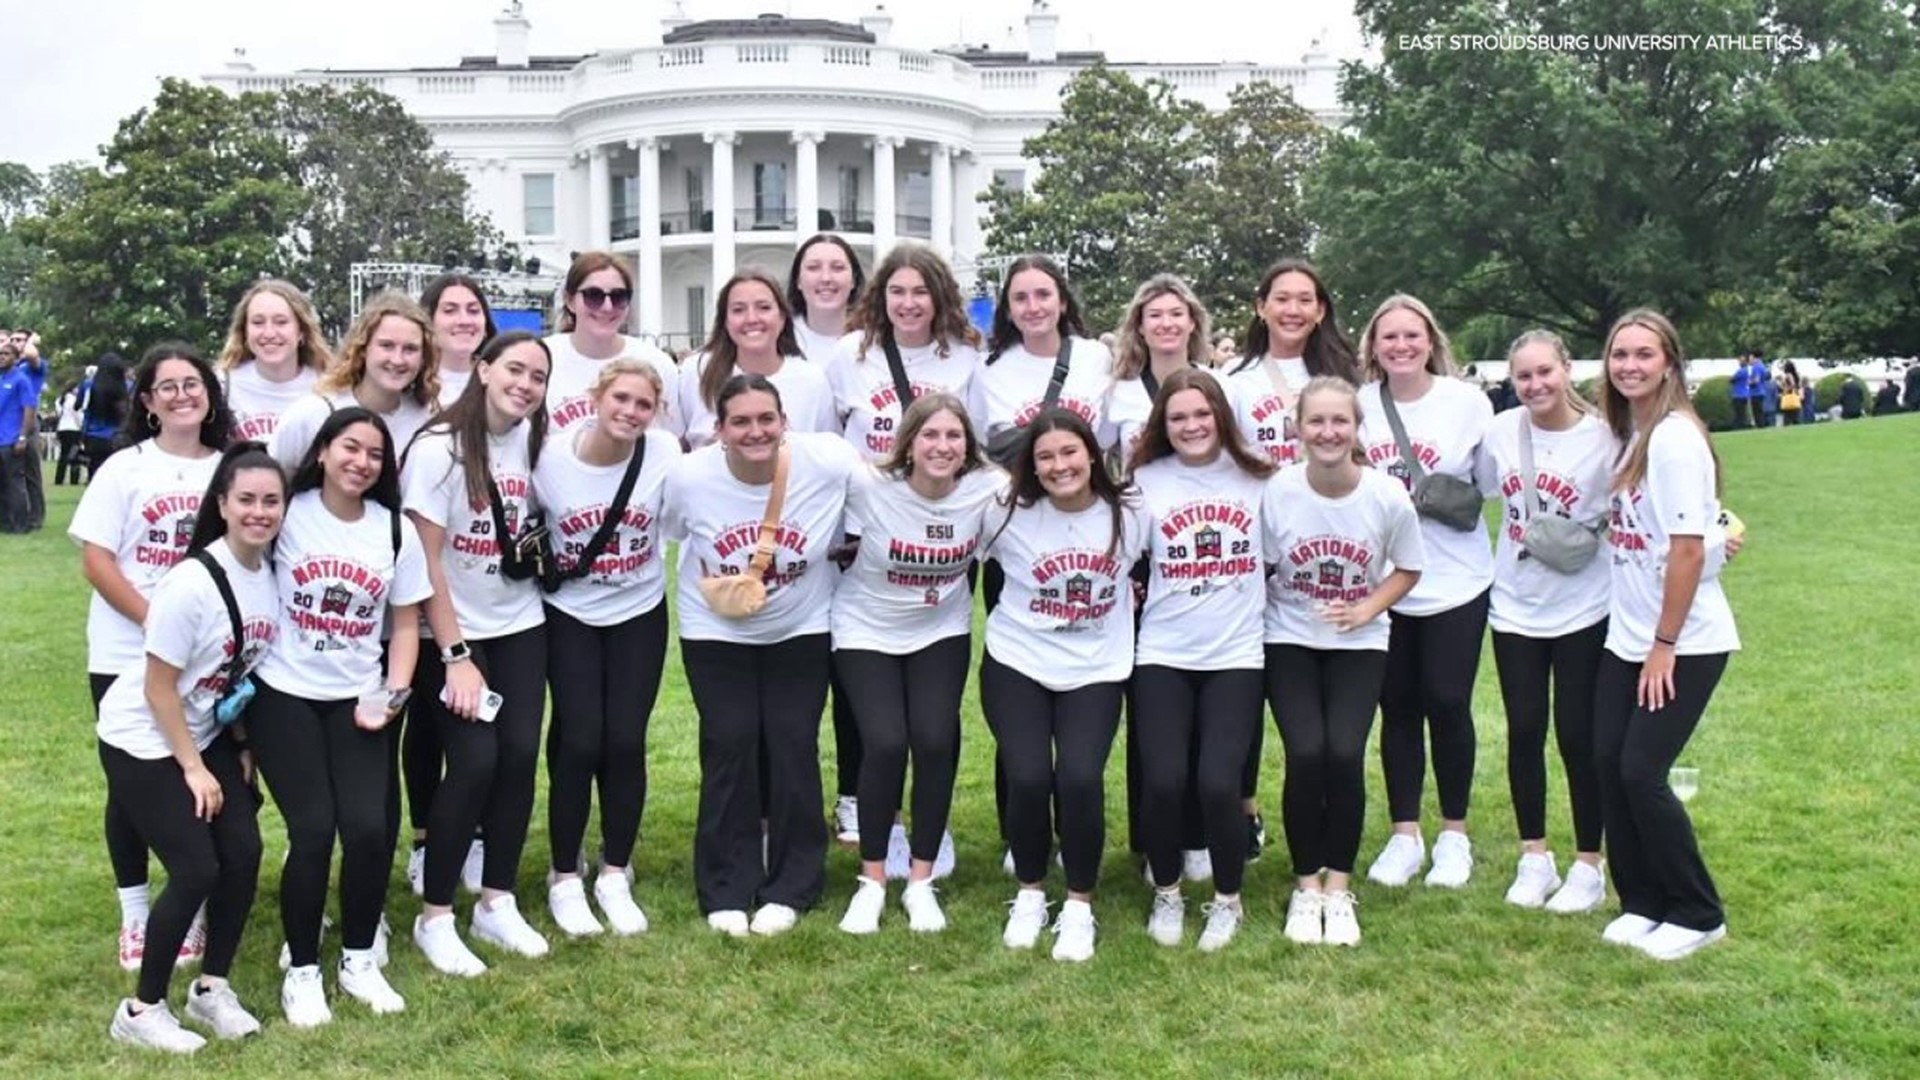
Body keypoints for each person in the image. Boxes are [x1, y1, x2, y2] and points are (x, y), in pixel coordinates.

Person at [99, 441, 284, 1052]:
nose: (260, 511)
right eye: (247, 500)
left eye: (271, 500)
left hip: (205, 732)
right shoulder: (191, 582)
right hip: (142, 739)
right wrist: (193, 768)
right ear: (223, 505)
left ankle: (212, 990)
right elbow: (157, 688)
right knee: (196, 867)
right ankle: (142, 1009)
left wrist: (239, 746)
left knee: (244, 852)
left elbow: (232, 672)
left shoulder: (269, 575)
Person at [248, 407, 430, 1024]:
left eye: (375, 455)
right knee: (313, 830)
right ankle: (302, 970)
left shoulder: (393, 529)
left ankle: (357, 959)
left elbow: (406, 623)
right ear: (323, 451)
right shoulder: (287, 514)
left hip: (359, 697)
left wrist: (394, 694)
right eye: (350, 448)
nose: (361, 463)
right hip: (285, 693)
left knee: (370, 830)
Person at [662, 374, 861, 937]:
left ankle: (792, 885)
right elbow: (674, 529)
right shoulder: (690, 476)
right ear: (719, 430)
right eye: (741, 422)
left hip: (800, 626)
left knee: (794, 744)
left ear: (784, 421)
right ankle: (726, 884)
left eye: (766, 419)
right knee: (729, 743)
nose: (756, 431)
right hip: (716, 631)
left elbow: (884, 490)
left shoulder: (826, 461)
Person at [71, 343, 233, 973]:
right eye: (166, 387)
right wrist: (157, 624)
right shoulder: (125, 468)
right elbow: (96, 559)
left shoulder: (228, 469)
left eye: (192, 383)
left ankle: (190, 896)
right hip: (125, 649)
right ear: (147, 402)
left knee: (193, 775)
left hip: (204, 661)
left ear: (210, 394)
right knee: (132, 783)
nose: (181, 394)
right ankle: (137, 911)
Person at [402, 331, 552, 975]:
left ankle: (496, 900)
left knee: (519, 758)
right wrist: (455, 651)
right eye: (514, 369)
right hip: (453, 633)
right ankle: (435, 915)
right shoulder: (438, 449)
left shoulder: (533, 440)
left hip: (520, 622)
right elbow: (424, 560)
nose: (525, 384)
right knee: (474, 762)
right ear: (483, 368)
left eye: (538, 377)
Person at [826, 242, 985, 849]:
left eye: (921, 291)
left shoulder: (967, 357)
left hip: (943, 537)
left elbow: (979, 449)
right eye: (898, 291)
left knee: (934, 712)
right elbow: (830, 443)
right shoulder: (851, 355)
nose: (910, 302)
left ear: (940, 294)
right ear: (880, 296)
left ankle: (930, 832)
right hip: (872, 533)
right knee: (875, 708)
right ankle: (878, 819)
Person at [1592, 309, 1738, 961]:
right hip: (1625, 639)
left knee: (1642, 772)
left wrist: (1664, 645)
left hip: (1682, 642)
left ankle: (1698, 911)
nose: (1629, 365)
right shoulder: (1632, 434)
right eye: (1619, 354)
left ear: (1669, 364)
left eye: (1643, 355)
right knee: (1607, 765)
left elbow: (1684, 550)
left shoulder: (1675, 438)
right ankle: (1645, 901)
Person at [831, 393, 1002, 934]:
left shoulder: (988, 491)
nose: (942, 446)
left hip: (939, 630)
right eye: (930, 435)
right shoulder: (868, 486)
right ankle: (872, 881)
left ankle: (922, 881)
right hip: (866, 628)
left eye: (954, 436)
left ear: (968, 446)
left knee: (934, 740)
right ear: (908, 442)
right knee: (883, 742)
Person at [982, 409, 1148, 963]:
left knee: (1079, 778)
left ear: (1091, 454)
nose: (1059, 466)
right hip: (1018, 660)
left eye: (1069, 452)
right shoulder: (1005, 512)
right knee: (1027, 777)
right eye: (1045, 457)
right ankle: (1030, 892)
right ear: (1031, 465)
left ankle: (1079, 904)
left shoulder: (1130, 511)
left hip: (1096, 667)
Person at [1263, 377, 1424, 947]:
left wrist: (1367, 607)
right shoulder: (1277, 490)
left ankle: (1339, 885)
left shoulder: (1385, 495)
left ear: (1357, 429)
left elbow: (1408, 567)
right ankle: (1307, 886)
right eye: (1316, 422)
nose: (1328, 432)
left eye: (1340, 421)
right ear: (1298, 429)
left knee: (1344, 752)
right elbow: (1258, 568)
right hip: (1289, 639)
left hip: (1360, 644)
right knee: (1307, 753)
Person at [532, 359, 682, 938]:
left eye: (643, 405)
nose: (630, 412)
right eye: (621, 398)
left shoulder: (664, 453)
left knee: (624, 739)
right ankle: (565, 873)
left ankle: (615, 870)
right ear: (597, 397)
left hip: (638, 611)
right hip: (570, 613)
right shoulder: (550, 457)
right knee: (577, 739)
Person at [1127, 369, 1272, 951]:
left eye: (1201, 414)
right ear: (1163, 424)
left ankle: (1228, 901)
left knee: (1218, 782)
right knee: (1162, 782)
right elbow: (1121, 555)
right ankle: (1167, 893)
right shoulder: (1145, 479)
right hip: (1162, 651)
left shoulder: (1259, 479)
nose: (1191, 426)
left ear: (1222, 416)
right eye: (1178, 417)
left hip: (1236, 654)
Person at [1355, 295, 1496, 890]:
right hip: (1386, 583)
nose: (1401, 346)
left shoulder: (1466, 403)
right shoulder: (1361, 404)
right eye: (1389, 338)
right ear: (1374, 346)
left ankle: (1455, 834)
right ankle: (1405, 833)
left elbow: (1488, 483)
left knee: (1447, 701)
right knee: (1399, 709)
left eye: (1412, 335)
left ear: (1431, 339)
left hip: (1456, 579)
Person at [1478, 331, 1616, 913]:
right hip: (1514, 605)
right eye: (1523, 377)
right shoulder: (1501, 432)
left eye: (1544, 372)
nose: (1535, 386)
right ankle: (1534, 854)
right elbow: (1482, 491)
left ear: (1567, 369)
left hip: (1585, 604)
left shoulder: (1606, 438)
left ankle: (1590, 862)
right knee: (1525, 730)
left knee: (1579, 736)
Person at [269, 292, 440, 472]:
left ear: (424, 357)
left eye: (410, 349)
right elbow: (274, 481)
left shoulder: (427, 422)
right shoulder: (312, 414)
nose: (397, 360)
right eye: (386, 346)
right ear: (363, 348)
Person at [676, 268, 837, 448]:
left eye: (764, 308)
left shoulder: (812, 380)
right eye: (738, 310)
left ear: (782, 317)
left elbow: (827, 451)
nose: (751, 318)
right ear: (725, 321)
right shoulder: (696, 372)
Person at [1224, 260, 1363, 468]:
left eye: (1305, 300)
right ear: (1261, 307)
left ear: (1320, 311)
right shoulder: (1234, 377)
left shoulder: (1346, 374)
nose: (1293, 310)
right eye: (1282, 299)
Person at [978, 255, 1117, 450]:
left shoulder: (1096, 357)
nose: (1033, 307)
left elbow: (1106, 439)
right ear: (1008, 310)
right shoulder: (986, 371)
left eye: (1043, 295)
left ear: (1062, 303)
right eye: (1020, 298)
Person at [542, 251, 683, 442]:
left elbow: (672, 440)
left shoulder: (658, 364)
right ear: (570, 301)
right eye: (593, 295)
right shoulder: (543, 358)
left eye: (618, 297)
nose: (607, 307)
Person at [216, 280, 333, 443]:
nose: (269, 333)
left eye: (281, 322)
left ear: (301, 331)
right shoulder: (222, 386)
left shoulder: (329, 389)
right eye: (258, 322)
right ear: (245, 332)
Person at [786, 233, 866, 362]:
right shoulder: (779, 340)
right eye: (813, 268)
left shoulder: (874, 341)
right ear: (798, 281)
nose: (826, 278)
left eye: (837, 268)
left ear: (854, 281)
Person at [421, 273, 498, 407]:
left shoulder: (501, 383)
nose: (464, 321)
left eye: (473, 311)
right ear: (428, 321)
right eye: (450, 311)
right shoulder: (409, 384)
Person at [0, 341, 32, 532]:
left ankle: (21, 524)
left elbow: (29, 408)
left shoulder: (21, 379)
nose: (2, 357)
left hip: (11, 440)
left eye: (6, 354)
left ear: (16, 357)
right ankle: (4, 522)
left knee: (15, 484)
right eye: (0, 354)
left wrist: (22, 437)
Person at [82, 355, 131, 472]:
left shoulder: (89, 385)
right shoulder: (127, 386)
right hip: (118, 437)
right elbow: (126, 412)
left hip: (93, 436)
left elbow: (80, 406)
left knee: (95, 475)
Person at [55, 375, 87, 484]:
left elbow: (59, 414)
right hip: (73, 428)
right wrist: (81, 426)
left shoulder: (60, 400)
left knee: (63, 454)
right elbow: (76, 414)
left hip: (62, 428)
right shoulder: (74, 400)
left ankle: (59, 478)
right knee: (75, 455)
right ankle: (74, 479)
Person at [1727, 352, 1753, 430]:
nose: (1739, 363)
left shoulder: (1741, 371)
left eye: (1741, 361)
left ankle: (1739, 426)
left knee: (1739, 412)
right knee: (1742, 412)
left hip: (1738, 395)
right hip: (1745, 394)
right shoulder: (1747, 371)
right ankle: (1743, 425)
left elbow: (1731, 379)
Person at [1776, 361, 1804, 426]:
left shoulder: (1788, 375)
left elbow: (1792, 384)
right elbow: (1798, 385)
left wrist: (1785, 391)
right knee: (1796, 415)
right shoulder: (1797, 374)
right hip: (1795, 397)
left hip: (1788, 396)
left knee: (1787, 416)